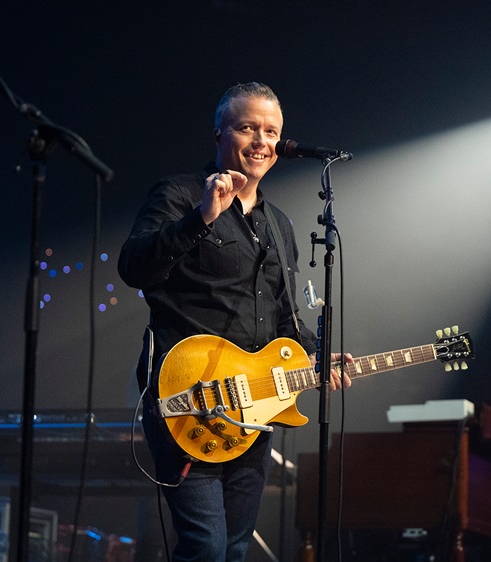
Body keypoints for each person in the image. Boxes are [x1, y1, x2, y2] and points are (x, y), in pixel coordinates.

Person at [118, 82, 351, 562]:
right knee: (205, 548)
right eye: (248, 128)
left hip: (254, 407)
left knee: (235, 549)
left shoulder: (279, 224)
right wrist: (201, 218)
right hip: (189, 400)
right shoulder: (180, 194)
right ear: (220, 134)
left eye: (272, 131)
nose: (262, 141)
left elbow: (284, 316)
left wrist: (316, 356)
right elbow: (133, 266)